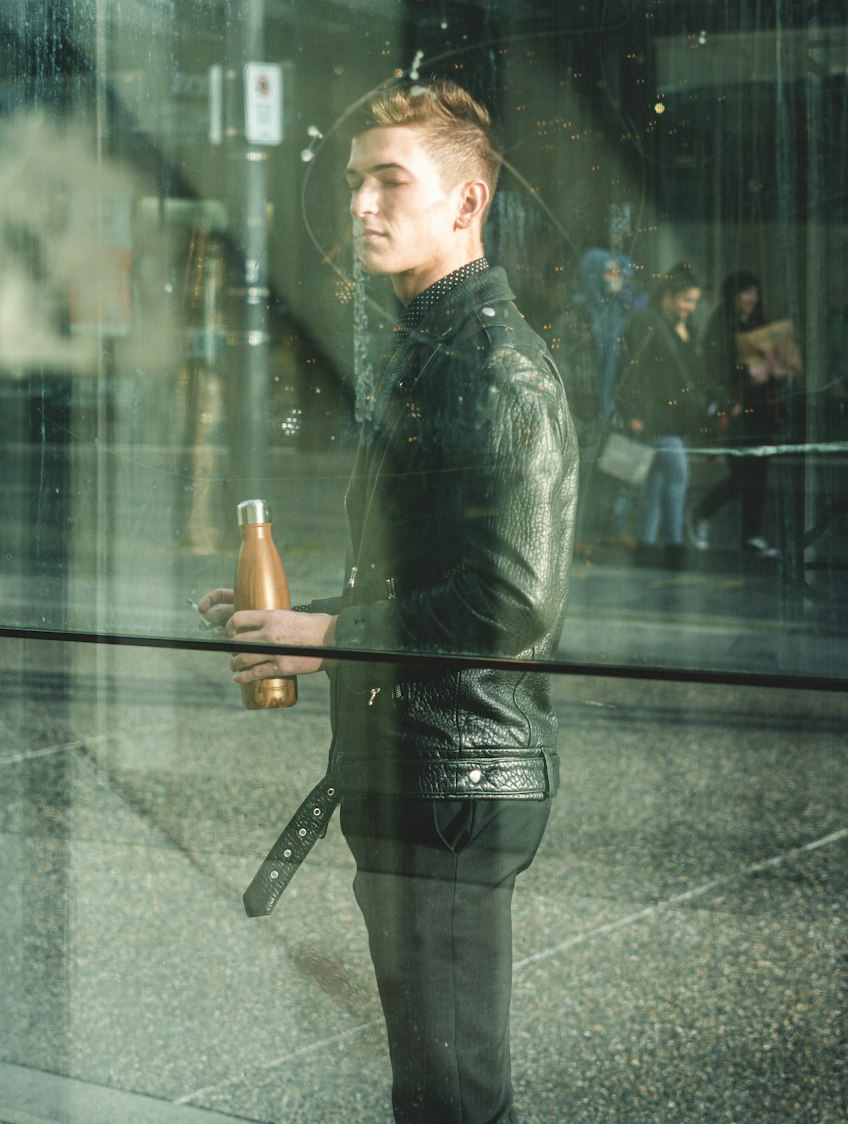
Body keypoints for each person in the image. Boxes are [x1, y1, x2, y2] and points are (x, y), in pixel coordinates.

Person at [199, 79, 578, 1124]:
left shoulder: (495, 371)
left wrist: (322, 635)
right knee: (435, 1087)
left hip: (454, 778)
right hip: (420, 769)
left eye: (390, 181)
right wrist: (290, 618)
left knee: (455, 1097)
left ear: (466, 204)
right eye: (354, 180)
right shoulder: (434, 358)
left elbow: (509, 605)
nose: (360, 204)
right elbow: (435, 588)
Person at [549, 246, 643, 553]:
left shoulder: (618, 313)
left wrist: (625, 405)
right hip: (584, 410)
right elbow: (565, 365)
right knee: (580, 475)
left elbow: (625, 364)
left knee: (624, 464)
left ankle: (612, 527)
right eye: (609, 273)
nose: (616, 280)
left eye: (618, 273)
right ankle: (570, 536)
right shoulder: (575, 316)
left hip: (611, 408)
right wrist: (575, 411)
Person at [689, 270, 784, 560]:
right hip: (736, 409)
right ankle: (701, 512)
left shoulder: (761, 322)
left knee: (759, 474)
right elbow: (712, 368)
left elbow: (779, 364)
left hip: (763, 408)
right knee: (742, 475)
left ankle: (751, 534)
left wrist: (775, 368)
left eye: (753, 293)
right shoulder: (721, 326)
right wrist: (736, 387)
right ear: (733, 296)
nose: (750, 299)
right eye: (744, 293)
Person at [617, 263, 704, 569]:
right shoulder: (648, 323)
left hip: (667, 414)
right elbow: (629, 369)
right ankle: (674, 545)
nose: (689, 308)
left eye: (693, 302)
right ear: (668, 296)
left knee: (656, 478)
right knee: (677, 473)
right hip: (654, 414)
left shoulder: (676, 327)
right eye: (686, 300)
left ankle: (647, 544)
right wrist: (632, 411)